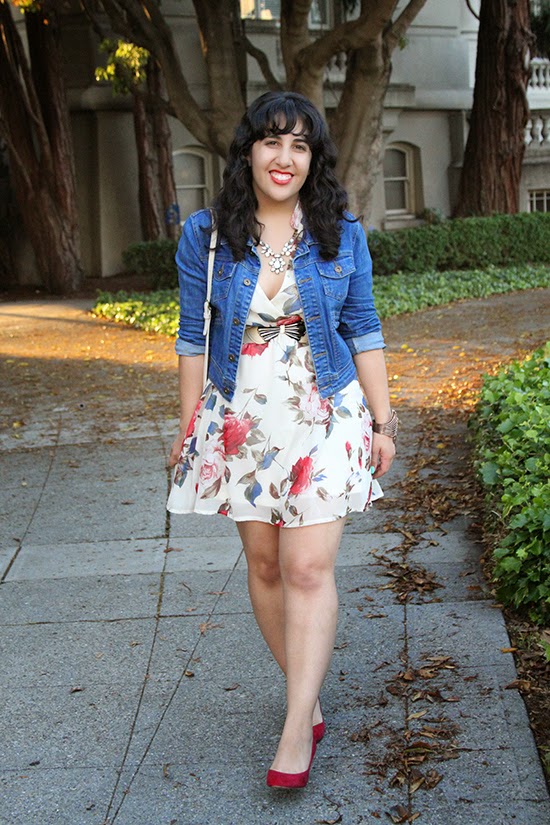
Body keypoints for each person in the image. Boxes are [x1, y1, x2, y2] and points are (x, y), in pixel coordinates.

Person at [167, 91, 396, 789]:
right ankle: (309, 689)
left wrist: (385, 422)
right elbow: (191, 337)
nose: (285, 157)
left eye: (300, 145)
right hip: (242, 419)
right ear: (248, 151)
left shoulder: (338, 230)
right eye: (272, 141)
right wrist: (186, 431)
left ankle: (297, 726)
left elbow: (363, 325)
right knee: (264, 567)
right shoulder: (206, 235)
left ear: (312, 160)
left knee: (305, 568)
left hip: (324, 413)